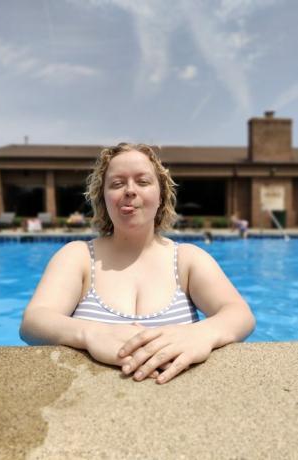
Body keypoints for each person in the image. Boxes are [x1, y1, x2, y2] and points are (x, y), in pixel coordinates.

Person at [20, 143, 256, 385]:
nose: (130, 190)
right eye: (117, 183)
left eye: (142, 182)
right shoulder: (78, 256)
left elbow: (240, 314)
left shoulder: (188, 260)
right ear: (103, 197)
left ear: (161, 194)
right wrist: (91, 333)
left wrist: (202, 334)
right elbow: (34, 322)